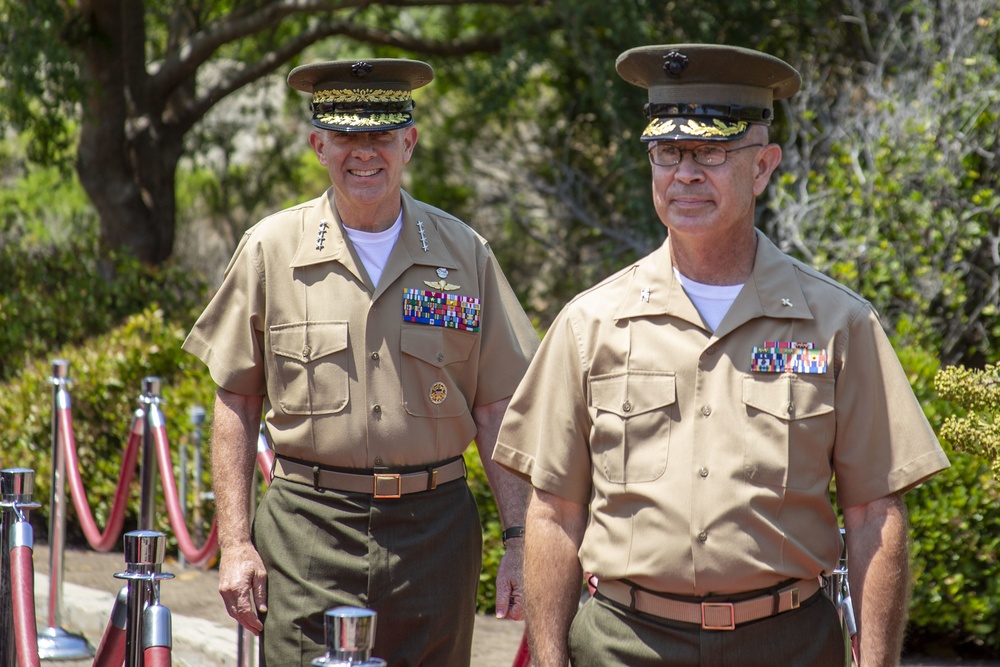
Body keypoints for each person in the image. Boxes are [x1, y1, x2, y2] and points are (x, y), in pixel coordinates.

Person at [493, 44, 951, 667]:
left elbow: (876, 515)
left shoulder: (840, 323)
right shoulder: (590, 322)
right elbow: (554, 513)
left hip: (787, 644)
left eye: (710, 152)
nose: (685, 174)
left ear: (762, 167)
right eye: (667, 153)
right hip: (625, 645)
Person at [182, 58, 539, 666]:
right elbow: (236, 401)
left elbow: (497, 406)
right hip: (307, 533)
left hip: (435, 533)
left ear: (410, 142)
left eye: (381, 135)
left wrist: (521, 542)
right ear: (318, 143)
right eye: (346, 135)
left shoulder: (464, 253)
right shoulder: (271, 250)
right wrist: (236, 542)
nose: (364, 152)